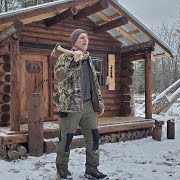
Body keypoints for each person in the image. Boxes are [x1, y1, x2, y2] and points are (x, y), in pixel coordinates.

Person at [54, 29, 107, 179]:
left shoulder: (89, 59)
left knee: (94, 139)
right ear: (74, 41)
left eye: (87, 38)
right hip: (70, 106)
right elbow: (59, 76)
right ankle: (62, 168)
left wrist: (100, 103)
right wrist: (73, 61)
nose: (85, 40)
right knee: (66, 139)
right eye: (82, 38)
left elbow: (94, 84)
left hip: (88, 105)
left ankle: (92, 169)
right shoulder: (65, 56)